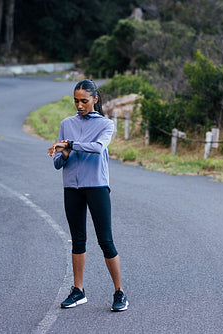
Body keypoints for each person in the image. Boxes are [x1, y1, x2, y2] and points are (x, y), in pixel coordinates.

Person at [48, 79, 129, 312]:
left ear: (95, 99)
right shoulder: (66, 123)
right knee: (78, 240)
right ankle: (78, 291)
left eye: (84, 101)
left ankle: (119, 291)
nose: (79, 105)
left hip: (97, 186)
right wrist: (63, 154)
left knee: (105, 240)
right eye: (76, 101)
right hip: (71, 188)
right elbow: (57, 163)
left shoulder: (106, 124)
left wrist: (70, 144)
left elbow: (98, 147)